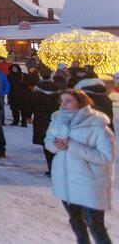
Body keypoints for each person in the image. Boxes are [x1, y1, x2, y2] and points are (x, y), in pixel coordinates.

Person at [45, 90, 116, 244]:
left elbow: (106, 157)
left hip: (90, 182)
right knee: (76, 221)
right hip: (65, 180)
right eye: (62, 100)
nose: (63, 104)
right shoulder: (58, 120)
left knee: (95, 225)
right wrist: (56, 145)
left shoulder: (97, 124)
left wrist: (71, 146)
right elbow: (49, 141)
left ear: (81, 102)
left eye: (68, 100)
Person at [33, 69, 64, 175]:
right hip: (56, 119)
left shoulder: (38, 91)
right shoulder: (57, 90)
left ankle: (51, 168)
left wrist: (28, 115)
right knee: (57, 142)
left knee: (47, 145)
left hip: (41, 119)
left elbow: (31, 104)